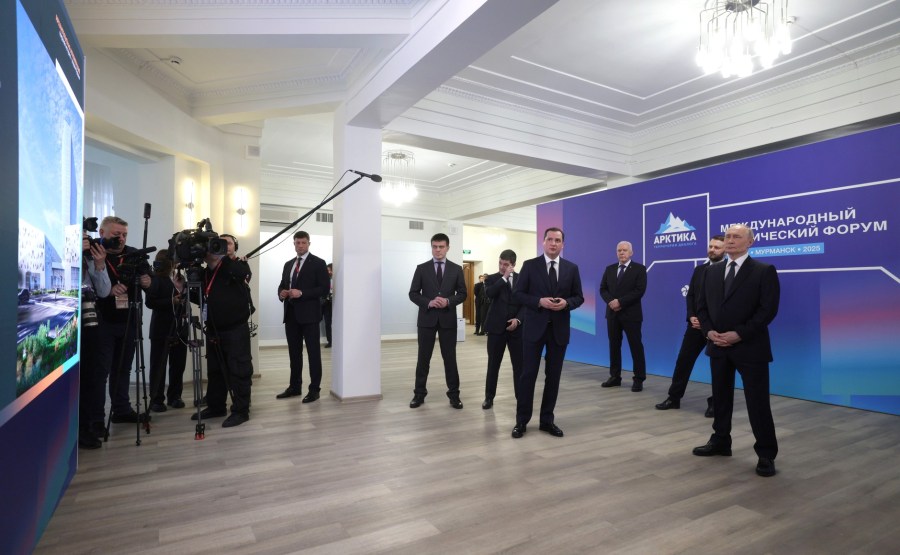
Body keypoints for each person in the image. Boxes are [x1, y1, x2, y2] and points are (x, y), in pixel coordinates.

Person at [693, 224, 780, 477]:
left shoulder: (764, 271)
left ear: (750, 242)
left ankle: (766, 454)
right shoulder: (711, 271)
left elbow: (767, 310)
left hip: (750, 347)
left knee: (757, 402)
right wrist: (708, 331)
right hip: (717, 344)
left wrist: (739, 334)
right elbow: (701, 307)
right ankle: (721, 441)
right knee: (720, 398)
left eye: (736, 237)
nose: (730, 240)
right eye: (728, 236)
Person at [512, 227, 584, 438]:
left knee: (553, 377)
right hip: (533, 330)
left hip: (559, 331)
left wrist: (566, 303)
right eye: (550, 239)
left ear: (563, 244)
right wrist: (538, 302)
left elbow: (579, 297)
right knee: (528, 376)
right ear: (543, 242)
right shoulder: (530, 265)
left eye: (557, 240)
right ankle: (521, 421)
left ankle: (547, 421)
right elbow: (518, 293)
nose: (553, 243)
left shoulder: (571, 268)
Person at [656, 235, 725, 416]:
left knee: (719, 368)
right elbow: (691, 295)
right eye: (710, 246)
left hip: (717, 329)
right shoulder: (699, 269)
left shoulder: (729, 271)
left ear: (725, 250)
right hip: (695, 326)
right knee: (683, 361)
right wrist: (692, 316)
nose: (712, 250)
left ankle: (716, 403)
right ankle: (674, 398)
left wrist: (709, 322)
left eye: (717, 247)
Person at [95, 216, 152, 424]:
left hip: (129, 320)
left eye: (124, 235)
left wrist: (148, 282)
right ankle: (96, 419)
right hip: (102, 322)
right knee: (100, 371)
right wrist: (108, 291)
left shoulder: (134, 255)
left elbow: (151, 282)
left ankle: (121, 410)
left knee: (123, 368)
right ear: (102, 233)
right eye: (116, 234)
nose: (121, 239)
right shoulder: (93, 253)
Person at [191, 246, 254, 427]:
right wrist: (184, 289)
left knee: (239, 370)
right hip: (214, 328)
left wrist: (223, 258)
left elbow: (243, 274)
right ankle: (216, 406)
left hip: (235, 329)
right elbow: (204, 298)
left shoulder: (234, 267)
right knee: (215, 371)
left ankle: (241, 411)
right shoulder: (205, 273)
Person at [408, 233, 467, 409]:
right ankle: (419, 394)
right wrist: (429, 302)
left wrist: (448, 301)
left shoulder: (456, 269)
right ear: (431, 247)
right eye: (435, 246)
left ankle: (454, 395)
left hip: (448, 320)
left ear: (447, 248)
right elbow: (413, 293)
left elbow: (462, 293)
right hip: (426, 320)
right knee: (423, 359)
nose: (438, 250)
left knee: (450, 359)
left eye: (441, 247)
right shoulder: (421, 268)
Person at [276, 231, 330, 403]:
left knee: (313, 354)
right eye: (297, 242)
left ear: (309, 244)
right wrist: (281, 293)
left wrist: (302, 293)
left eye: (303, 242)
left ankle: (314, 390)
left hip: (310, 316)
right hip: (291, 315)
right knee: (294, 354)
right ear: (294, 244)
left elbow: (324, 289)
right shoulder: (288, 264)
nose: (300, 245)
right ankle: (294, 387)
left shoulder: (319, 263)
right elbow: (282, 285)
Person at [599, 240, 647, 392]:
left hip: (631, 315)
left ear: (631, 253)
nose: (621, 252)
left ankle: (639, 379)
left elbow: (639, 291)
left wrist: (620, 302)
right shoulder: (610, 269)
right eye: (619, 250)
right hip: (612, 314)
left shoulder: (639, 269)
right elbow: (603, 289)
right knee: (614, 346)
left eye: (625, 250)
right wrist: (611, 302)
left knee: (635, 346)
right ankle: (615, 377)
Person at [79, 234, 112, 449]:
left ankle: (88, 425)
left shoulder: (91, 259)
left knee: (92, 376)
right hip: (73, 322)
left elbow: (104, 291)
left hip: (91, 322)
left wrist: (99, 265)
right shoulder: (70, 257)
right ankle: (80, 427)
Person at [145, 250, 188, 413]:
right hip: (161, 329)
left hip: (180, 328)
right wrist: (171, 301)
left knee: (178, 365)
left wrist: (182, 291)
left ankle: (175, 396)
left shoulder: (181, 278)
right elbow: (150, 302)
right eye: (174, 260)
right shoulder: (157, 279)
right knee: (158, 366)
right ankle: (156, 399)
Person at [481, 250, 524, 409]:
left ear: (513, 265)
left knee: (519, 366)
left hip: (516, 330)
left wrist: (518, 320)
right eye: (500, 263)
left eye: (506, 264)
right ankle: (489, 398)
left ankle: (521, 398)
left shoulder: (522, 279)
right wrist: (504, 277)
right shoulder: (491, 279)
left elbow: (525, 303)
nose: (501, 266)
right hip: (495, 329)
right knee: (493, 365)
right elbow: (490, 294)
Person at [322, 263, 333, 348]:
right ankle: (330, 341)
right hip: (326, 304)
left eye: (330, 270)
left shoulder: (339, 280)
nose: (328, 272)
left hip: (335, 304)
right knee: (327, 323)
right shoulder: (325, 280)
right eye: (327, 270)